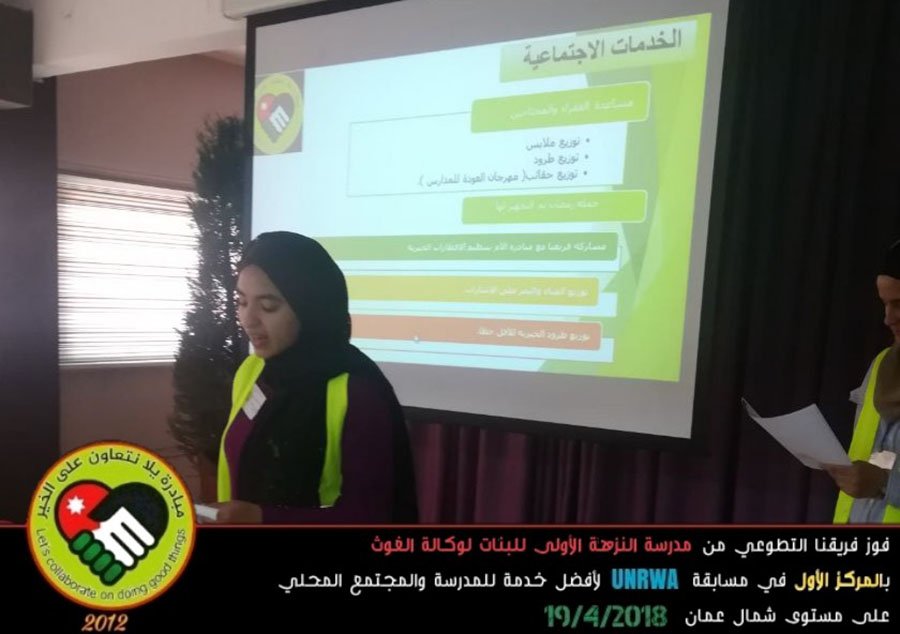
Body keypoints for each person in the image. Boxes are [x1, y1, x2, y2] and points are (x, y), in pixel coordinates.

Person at [209, 231, 418, 524]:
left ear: (310, 307)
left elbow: (369, 514)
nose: (248, 319)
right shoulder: (253, 369)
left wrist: (262, 518)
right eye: (241, 302)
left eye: (268, 306)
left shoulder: (358, 391)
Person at [825, 240, 900, 523]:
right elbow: (877, 453)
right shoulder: (882, 364)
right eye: (885, 304)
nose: (888, 318)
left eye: (899, 304)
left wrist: (885, 483)